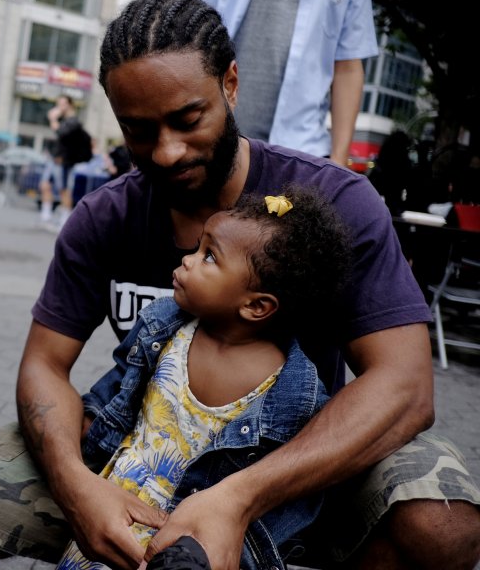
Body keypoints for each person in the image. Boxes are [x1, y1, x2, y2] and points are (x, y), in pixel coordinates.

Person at [0, 0, 480, 569]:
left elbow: (406, 386)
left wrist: (237, 499)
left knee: (441, 519)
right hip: (152, 460)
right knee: (6, 476)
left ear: (230, 84)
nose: (165, 153)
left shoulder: (330, 204)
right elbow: (43, 363)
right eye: (137, 131)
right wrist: (77, 489)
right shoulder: (103, 218)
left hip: (294, 470)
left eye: (188, 120)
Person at [56, 185, 352, 569]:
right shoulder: (162, 328)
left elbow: (294, 494)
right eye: (198, 247)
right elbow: (114, 396)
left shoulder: (292, 392)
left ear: (256, 305)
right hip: (112, 513)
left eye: (209, 256)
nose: (188, 259)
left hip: (186, 548)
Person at [179, 0, 379, 165]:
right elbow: (185, 38)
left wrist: (337, 162)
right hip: (217, 144)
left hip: (301, 152)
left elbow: (348, 67)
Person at [39, 96, 93, 229]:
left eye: (62, 104)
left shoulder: (74, 122)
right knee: (45, 185)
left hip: (65, 161)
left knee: (64, 190)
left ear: (70, 105)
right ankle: (46, 217)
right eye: (58, 104)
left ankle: (65, 221)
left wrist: (53, 119)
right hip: (55, 159)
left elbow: (61, 133)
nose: (59, 107)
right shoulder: (64, 120)